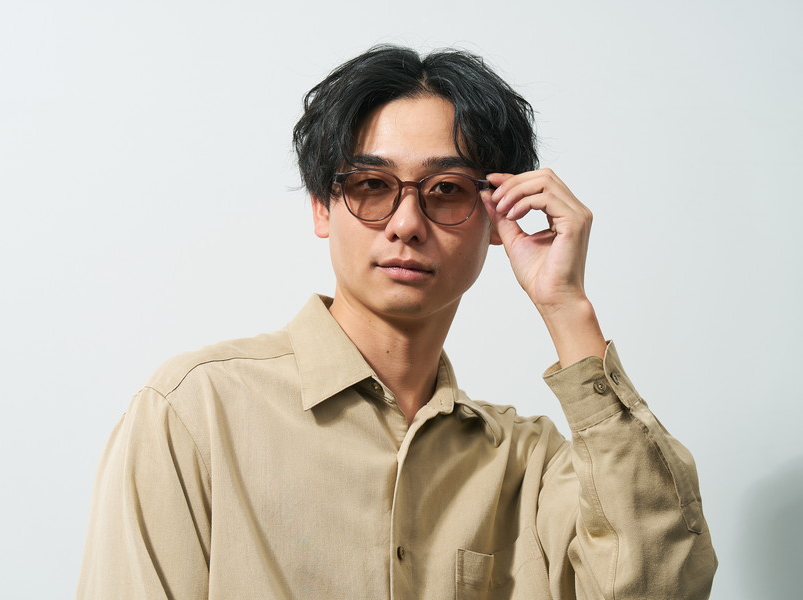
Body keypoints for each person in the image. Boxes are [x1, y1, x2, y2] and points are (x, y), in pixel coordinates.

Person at [77, 46, 717, 599]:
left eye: (447, 189)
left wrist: (567, 308)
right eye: (372, 185)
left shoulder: (529, 463)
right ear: (323, 206)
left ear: (498, 218)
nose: (407, 224)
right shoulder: (195, 411)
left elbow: (660, 585)